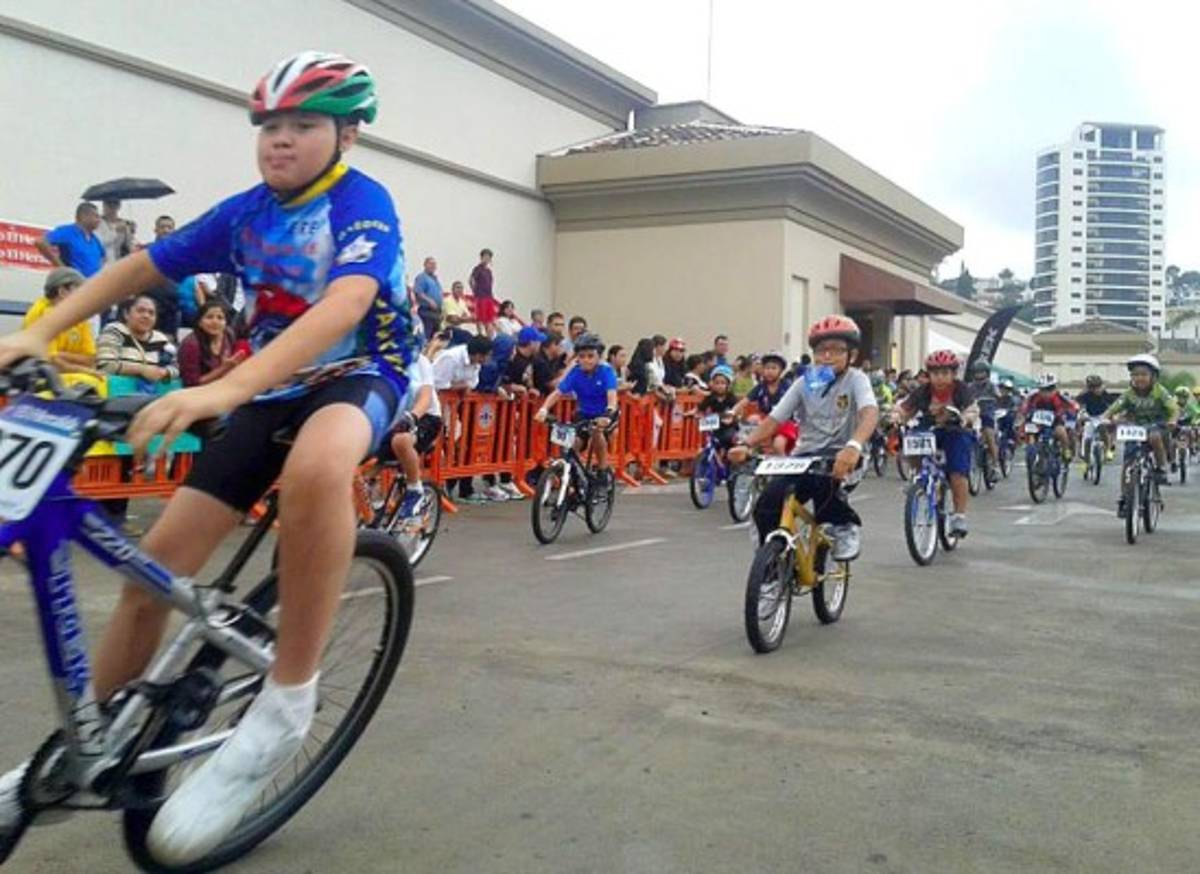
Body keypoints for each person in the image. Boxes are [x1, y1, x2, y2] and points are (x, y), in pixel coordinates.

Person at [0, 52, 420, 866]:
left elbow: (346, 303)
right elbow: (138, 267)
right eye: (269, 126)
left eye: (303, 125)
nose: (281, 141)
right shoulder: (247, 213)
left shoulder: (362, 202)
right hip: (267, 388)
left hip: (359, 372)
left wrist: (223, 390)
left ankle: (284, 704)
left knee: (318, 468)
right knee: (150, 569)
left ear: (347, 134)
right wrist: (37, 332)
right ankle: (80, 747)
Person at [729, 315, 878, 560]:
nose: (827, 356)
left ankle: (844, 527)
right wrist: (746, 444)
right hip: (805, 457)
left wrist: (853, 446)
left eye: (836, 350)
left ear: (851, 354)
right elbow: (775, 420)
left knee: (824, 484)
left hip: (844, 456)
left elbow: (870, 413)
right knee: (767, 504)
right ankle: (771, 568)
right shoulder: (803, 383)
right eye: (821, 350)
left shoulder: (856, 380)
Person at [892, 350, 978, 536]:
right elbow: (905, 408)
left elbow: (971, 408)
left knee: (957, 471)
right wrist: (896, 416)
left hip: (955, 431)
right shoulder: (922, 391)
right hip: (929, 429)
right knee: (911, 440)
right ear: (928, 375)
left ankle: (959, 516)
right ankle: (916, 476)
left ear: (954, 374)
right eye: (935, 373)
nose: (940, 378)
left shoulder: (961, 389)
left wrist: (966, 418)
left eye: (945, 373)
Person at [534, 333, 618, 481]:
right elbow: (557, 393)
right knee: (573, 445)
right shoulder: (575, 372)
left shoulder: (606, 372)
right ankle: (573, 482)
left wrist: (608, 413)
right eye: (582, 356)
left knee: (596, 433)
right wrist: (543, 409)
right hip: (584, 412)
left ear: (599, 357)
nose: (586, 360)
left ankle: (603, 470)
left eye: (590, 356)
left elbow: (612, 398)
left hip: (605, 413)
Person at [22, 267, 103, 392]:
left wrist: (60, 355)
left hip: (67, 375)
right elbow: (50, 363)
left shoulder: (78, 316)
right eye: (79, 291)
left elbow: (90, 358)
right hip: (41, 378)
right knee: (90, 382)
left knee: (100, 383)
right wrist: (83, 369)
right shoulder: (43, 313)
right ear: (62, 291)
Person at [1102, 354, 1177, 485]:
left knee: (1154, 437)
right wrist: (1106, 418)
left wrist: (1173, 420)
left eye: (1144, 374)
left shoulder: (1160, 391)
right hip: (1135, 427)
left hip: (1156, 425)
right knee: (1128, 459)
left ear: (1153, 377)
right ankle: (1125, 493)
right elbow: (1113, 408)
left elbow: (1174, 409)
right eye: (1135, 375)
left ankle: (1161, 468)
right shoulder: (1129, 393)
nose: (1139, 378)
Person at [387, 344, 442, 518]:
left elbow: (425, 397)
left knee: (401, 440)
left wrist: (412, 416)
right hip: (395, 416)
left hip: (426, 416)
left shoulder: (421, 362)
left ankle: (414, 489)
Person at [96, 294, 180, 385]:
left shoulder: (161, 339)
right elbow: (105, 366)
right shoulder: (114, 332)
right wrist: (141, 370)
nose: (146, 316)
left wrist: (165, 372)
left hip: (152, 395)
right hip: (116, 394)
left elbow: (178, 368)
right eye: (141, 311)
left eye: (151, 313)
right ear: (126, 314)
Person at [178, 299, 250, 387]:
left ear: (226, 322)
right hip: (198, 394)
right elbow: (191, 384)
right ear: (199, 322)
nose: (215, 322)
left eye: (220, 318)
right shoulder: (191, 345)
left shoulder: (228, 335)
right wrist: (223, 369)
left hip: (223, 386)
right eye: (209, 317)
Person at [734, 351, 792, 454]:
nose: (769, 371)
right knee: (752, 419)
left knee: (778, 445)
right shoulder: (760, 387)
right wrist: (731, 412)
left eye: (774, 368)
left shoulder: (787, 386)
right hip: (765, 421)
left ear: (781, 370)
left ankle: (784, 468)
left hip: (785, 422)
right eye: (767, 368)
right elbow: (744, 401)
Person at [1018, 373, 1078, 466]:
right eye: (1043, 390)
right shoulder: (1033, 396)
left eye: (1049, 389)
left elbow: (1073, 406)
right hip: (1037, 422)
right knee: (1029, 431)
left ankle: (1066, 451)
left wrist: (1070, 413)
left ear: (1054, 388)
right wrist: (1023, 414)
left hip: (1055, 422)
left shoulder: (1060, 397)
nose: (1046, 393)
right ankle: (1031, 454)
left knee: (1061, 432)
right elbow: (1024, 407)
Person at [35, 202, 106, 280]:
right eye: (96, 216)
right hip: (74, 285)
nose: (99, 220)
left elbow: (102, 259)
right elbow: (40, 242)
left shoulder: (95, 239)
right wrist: (62, 268)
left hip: (92, 286)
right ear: (84, 216)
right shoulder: (68, 232)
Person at [143, 216, 182, 337]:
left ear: (174, 230)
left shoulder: (179, 251)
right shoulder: (146, 250)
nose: (166, 230)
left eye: (169, 227)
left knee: (168, 344)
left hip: (171, 305)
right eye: (162, 227)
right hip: (149, 302)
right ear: (155, 230)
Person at [693, 364, 739, 460]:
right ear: (712, 384)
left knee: (728, 437)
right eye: (717, 383)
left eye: (723, 383)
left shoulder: (732, 398)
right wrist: (696, 414)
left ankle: (726, 457)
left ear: (728, 385)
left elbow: (736, 413)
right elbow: (700, 409)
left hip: (728, 428)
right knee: (706, 443)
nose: (719, 386)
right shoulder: (710, 398)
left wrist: (732, 418)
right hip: (713, 427)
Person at [1075, 374, 1118, 460]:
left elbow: (1112, 405)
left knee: (1104, 428)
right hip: (1090, 416)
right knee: (1082, 425)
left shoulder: (1104, 394)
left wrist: (1112, 416)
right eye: (1092, 387)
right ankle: (1082, 448)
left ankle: (1108, 449)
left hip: (1102, 416)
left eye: (1097, 387)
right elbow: (1078, 403)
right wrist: (1081, 413)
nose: (1096, 390)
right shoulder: (1085, 395)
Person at [966, 360, 998, 472]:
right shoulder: (970, 386)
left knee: (989, 436)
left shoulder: (991, 385)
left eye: (982, 372)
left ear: (987, 373)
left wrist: (995, 398)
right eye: (977, 372)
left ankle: (995, 464)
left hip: (987, 414)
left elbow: (998, 395)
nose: (979, 375)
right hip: (973, 414)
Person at [412, 256, 443, 340]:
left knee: (436, 338)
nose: (432, 266)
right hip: (426, 312)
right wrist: (429, 300)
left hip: (436, 313)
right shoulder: (422, 277)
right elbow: (418, 292)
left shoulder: (435, 279)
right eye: (430, 264)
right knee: (426, 337)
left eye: (434, 264)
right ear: (425, 265)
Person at [97, 199, 135, 265]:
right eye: (109, 204)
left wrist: (131, 233)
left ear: (119, 206)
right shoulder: (97, 222)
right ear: (103, 205)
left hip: (119, 262)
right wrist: (115, 230)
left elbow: (129, 245)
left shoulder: (124, 224)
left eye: (114, 204)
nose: (111, 208)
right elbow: (99, 242)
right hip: (101, 262)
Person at [469, 248, 497, 337]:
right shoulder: (478, 269)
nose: (487, 259)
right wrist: (475, 291)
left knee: (489, 319)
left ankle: (489, 337)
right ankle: (480, 335)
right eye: (485, 256)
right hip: (481, 297)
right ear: (481, 257)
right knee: (480, 318)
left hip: (489, 296)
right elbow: (471, 280)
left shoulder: (489, 271)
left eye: (488, 257)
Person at [441, 280, 474, 345]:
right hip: (447, 329)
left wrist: (460, 319)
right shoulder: (448, 301)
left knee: (471, 339)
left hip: (458, 329)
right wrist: (464, 319)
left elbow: (470, 318)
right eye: (457, 288)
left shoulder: (462, 303)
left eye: (461, 288)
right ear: (452, 289)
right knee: (468, 337)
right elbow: (452, 320)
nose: (460, 290)